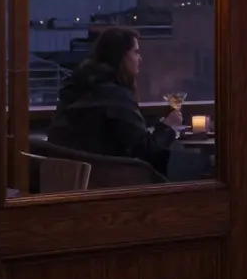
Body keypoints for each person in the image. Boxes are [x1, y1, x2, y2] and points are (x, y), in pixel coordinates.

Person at [47, 27, 182, 176]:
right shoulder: (115, 95)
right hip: (110, 180)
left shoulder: (75, 89)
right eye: (135, 52)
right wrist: (168, 127)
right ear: (121, 56)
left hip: (69, 179)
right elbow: (147, 151)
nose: (139, 58)